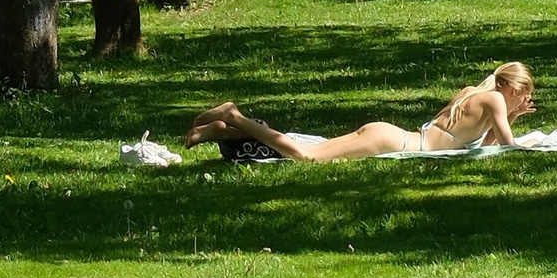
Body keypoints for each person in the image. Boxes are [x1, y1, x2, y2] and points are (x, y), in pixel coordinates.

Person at [182, 62, 536, 162]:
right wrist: (514, 118)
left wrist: (515, 116)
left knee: (311, 150)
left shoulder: (475, 93)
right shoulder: (494, 100)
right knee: (308, 156)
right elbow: (505, 147)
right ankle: (236, 116)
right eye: (523, 95)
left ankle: (222, 131)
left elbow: (482, 142)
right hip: (394, 142)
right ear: (513, 88)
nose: (521, 101)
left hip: (392, 134)